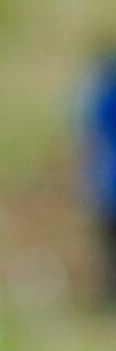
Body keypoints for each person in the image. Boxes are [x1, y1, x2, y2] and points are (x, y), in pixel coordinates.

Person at [80, 52, 116, 299]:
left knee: (108, 245)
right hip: (107, 185)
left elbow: (91, 140)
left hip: (106, 185)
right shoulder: (104, 98)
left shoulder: (101, 99)